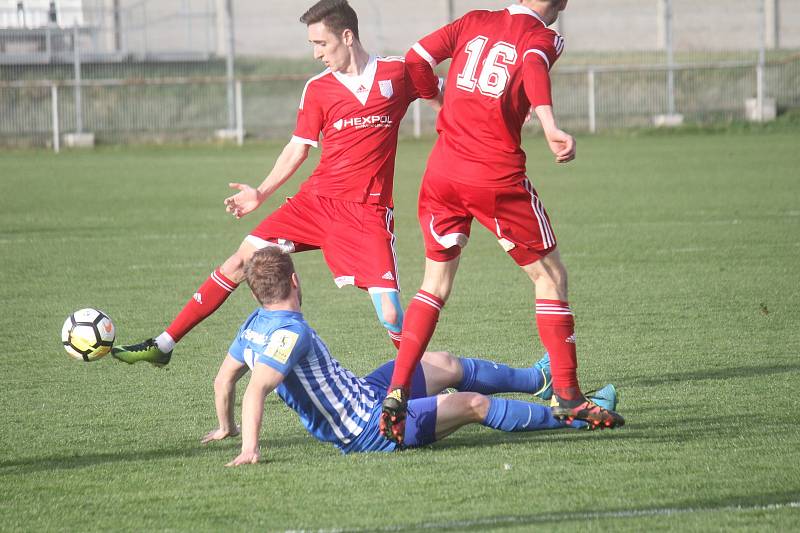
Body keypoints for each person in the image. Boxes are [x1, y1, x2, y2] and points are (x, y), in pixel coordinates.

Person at [112, 0, 441, 366]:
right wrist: (261, 193)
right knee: (241, 259)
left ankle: (427, 381)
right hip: (314, 204)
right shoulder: (318, 89)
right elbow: (298, 148)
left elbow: (446, 98)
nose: (316, 54)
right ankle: (164, 344)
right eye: (312, 45)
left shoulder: (397, 73)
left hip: (366, 213)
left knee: (392, 314)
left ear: (347, 36)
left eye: (321, 43)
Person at [379, 0, 624, 442]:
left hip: (441, 173)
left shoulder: (474, 20)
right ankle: (566, 393)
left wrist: (435, 98)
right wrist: (549, 124)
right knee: (551, 277)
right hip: (492, 176)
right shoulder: (542, 37)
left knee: (432, 286)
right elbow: (532, 64)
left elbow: (415, 57)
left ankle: (398, 387)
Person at [201, 247, 618, 464]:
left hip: (363, 392)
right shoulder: (289, 333)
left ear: (256, 292)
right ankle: (576, 418)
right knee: (472, 404)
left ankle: (537, 380)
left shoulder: (253, 324)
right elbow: (256, 390)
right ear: (295, 281)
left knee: (443, 363)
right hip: (369, 428)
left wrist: (226, 427)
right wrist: (250, 448)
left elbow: (225, 380)